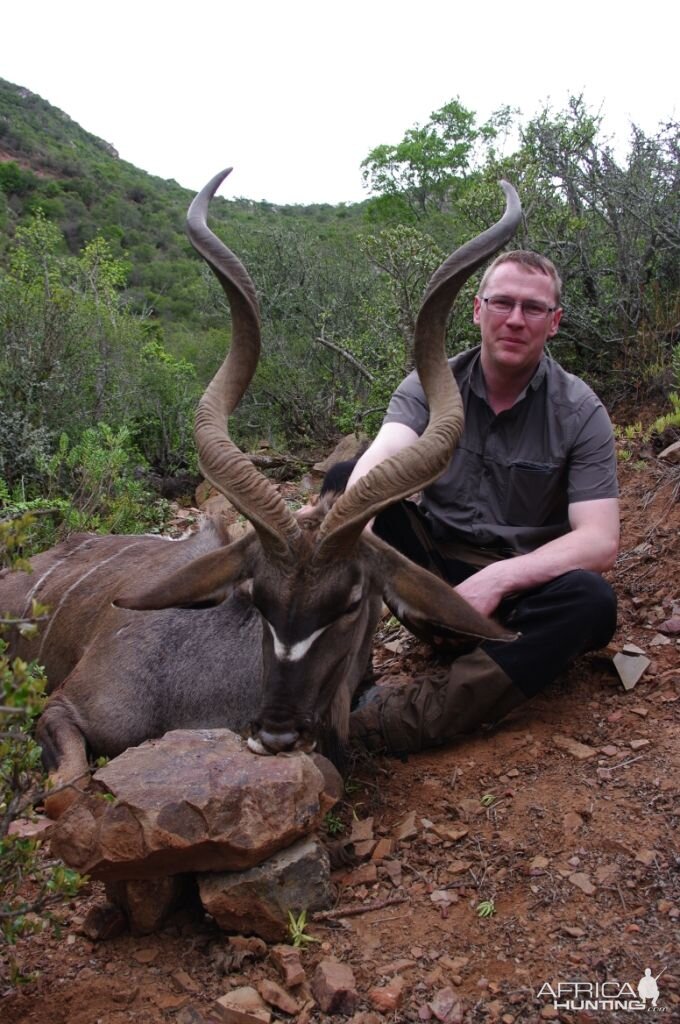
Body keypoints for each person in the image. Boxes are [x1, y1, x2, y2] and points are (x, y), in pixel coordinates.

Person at [331, 250, 620, 755]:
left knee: (591, 602)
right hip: (426, 581)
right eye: (502, 302)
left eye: (533, 308)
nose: (514, 319)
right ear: (477, 310)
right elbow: (384, 455)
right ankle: (343, 686)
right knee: (344, 485)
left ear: (554, 323)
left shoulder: (580, 411)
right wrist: (354, 523)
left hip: (513, 603)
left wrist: (497, 579)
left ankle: (391, 724)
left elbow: (599, 539)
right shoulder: (430, 383)